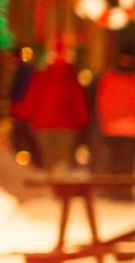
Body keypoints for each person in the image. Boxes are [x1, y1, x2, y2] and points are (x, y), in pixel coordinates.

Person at [16, 44, 89, 175]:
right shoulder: (72, 80)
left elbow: (31, 100)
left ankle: (50, 187)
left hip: (42, 126)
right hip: (67, 127)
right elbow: (79, 104)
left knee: (47, 159)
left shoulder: (40, 77)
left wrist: (22, 114)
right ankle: (59, 188)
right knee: (62, 162)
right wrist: (82, 121)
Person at [94, 50, 135, 201]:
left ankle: (115, 190)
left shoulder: (110, 79)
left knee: (115, 160)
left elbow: (103, 102)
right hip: (133, 128)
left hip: (113, 127)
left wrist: (105, 119)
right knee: (128, 162)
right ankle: (125, 191)